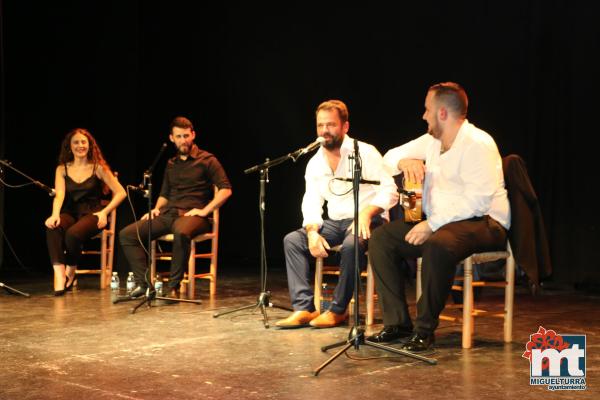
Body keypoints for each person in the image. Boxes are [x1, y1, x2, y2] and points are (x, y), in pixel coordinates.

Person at [367, 82, 510, 351]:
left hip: (485, 222)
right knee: (383, 239)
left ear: (442, 113)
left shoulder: (478, 143)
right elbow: (388, 156)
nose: (423, 116)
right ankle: (397, 323)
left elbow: (477, 201)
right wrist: (403, 162)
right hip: (441, 220)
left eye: (427, 109)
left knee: (438, 244)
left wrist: (430, 224)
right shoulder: (431, 141)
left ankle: (424, 331)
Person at [276, 100, 398, 329]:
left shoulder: (366, 152)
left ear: (345, 127)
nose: (324, 131)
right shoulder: (314, 163)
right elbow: (311, 200)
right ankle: (304, 308)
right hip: (336, 222)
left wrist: (367, 212)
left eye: (330, 125)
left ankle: (338, 310)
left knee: (352, 244)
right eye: (320, 125)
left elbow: (390, 191)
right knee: (293, 240)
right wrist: (312, 231)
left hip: (369, 219)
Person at [119, 116, 232, 299]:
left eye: (186, 136)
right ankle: (145, 284)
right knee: (127, 234)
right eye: (179, 136)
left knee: (181, 232)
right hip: (168, 214)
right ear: (171, 138)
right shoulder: (171, 163)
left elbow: (226, 190)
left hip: (194, 216)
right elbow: (164, 194)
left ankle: (173, 287)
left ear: (193, 135)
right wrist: (156, 208)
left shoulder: (208, 160)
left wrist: (205, 211)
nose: (183, 140)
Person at [45, 128, 126, 296]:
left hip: (93, 214)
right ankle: (60, 276)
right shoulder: (62, 169)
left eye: (83, 142)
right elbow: (59, 195)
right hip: (70, 212)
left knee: (73, 235)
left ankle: (71, 270)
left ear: (90, 146)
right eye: (76, 142)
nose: (80, 145)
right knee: (53, 227)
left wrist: (105, 212)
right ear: (69, 146)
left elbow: (121, 193)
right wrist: (54, 215)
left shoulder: (98, 168)